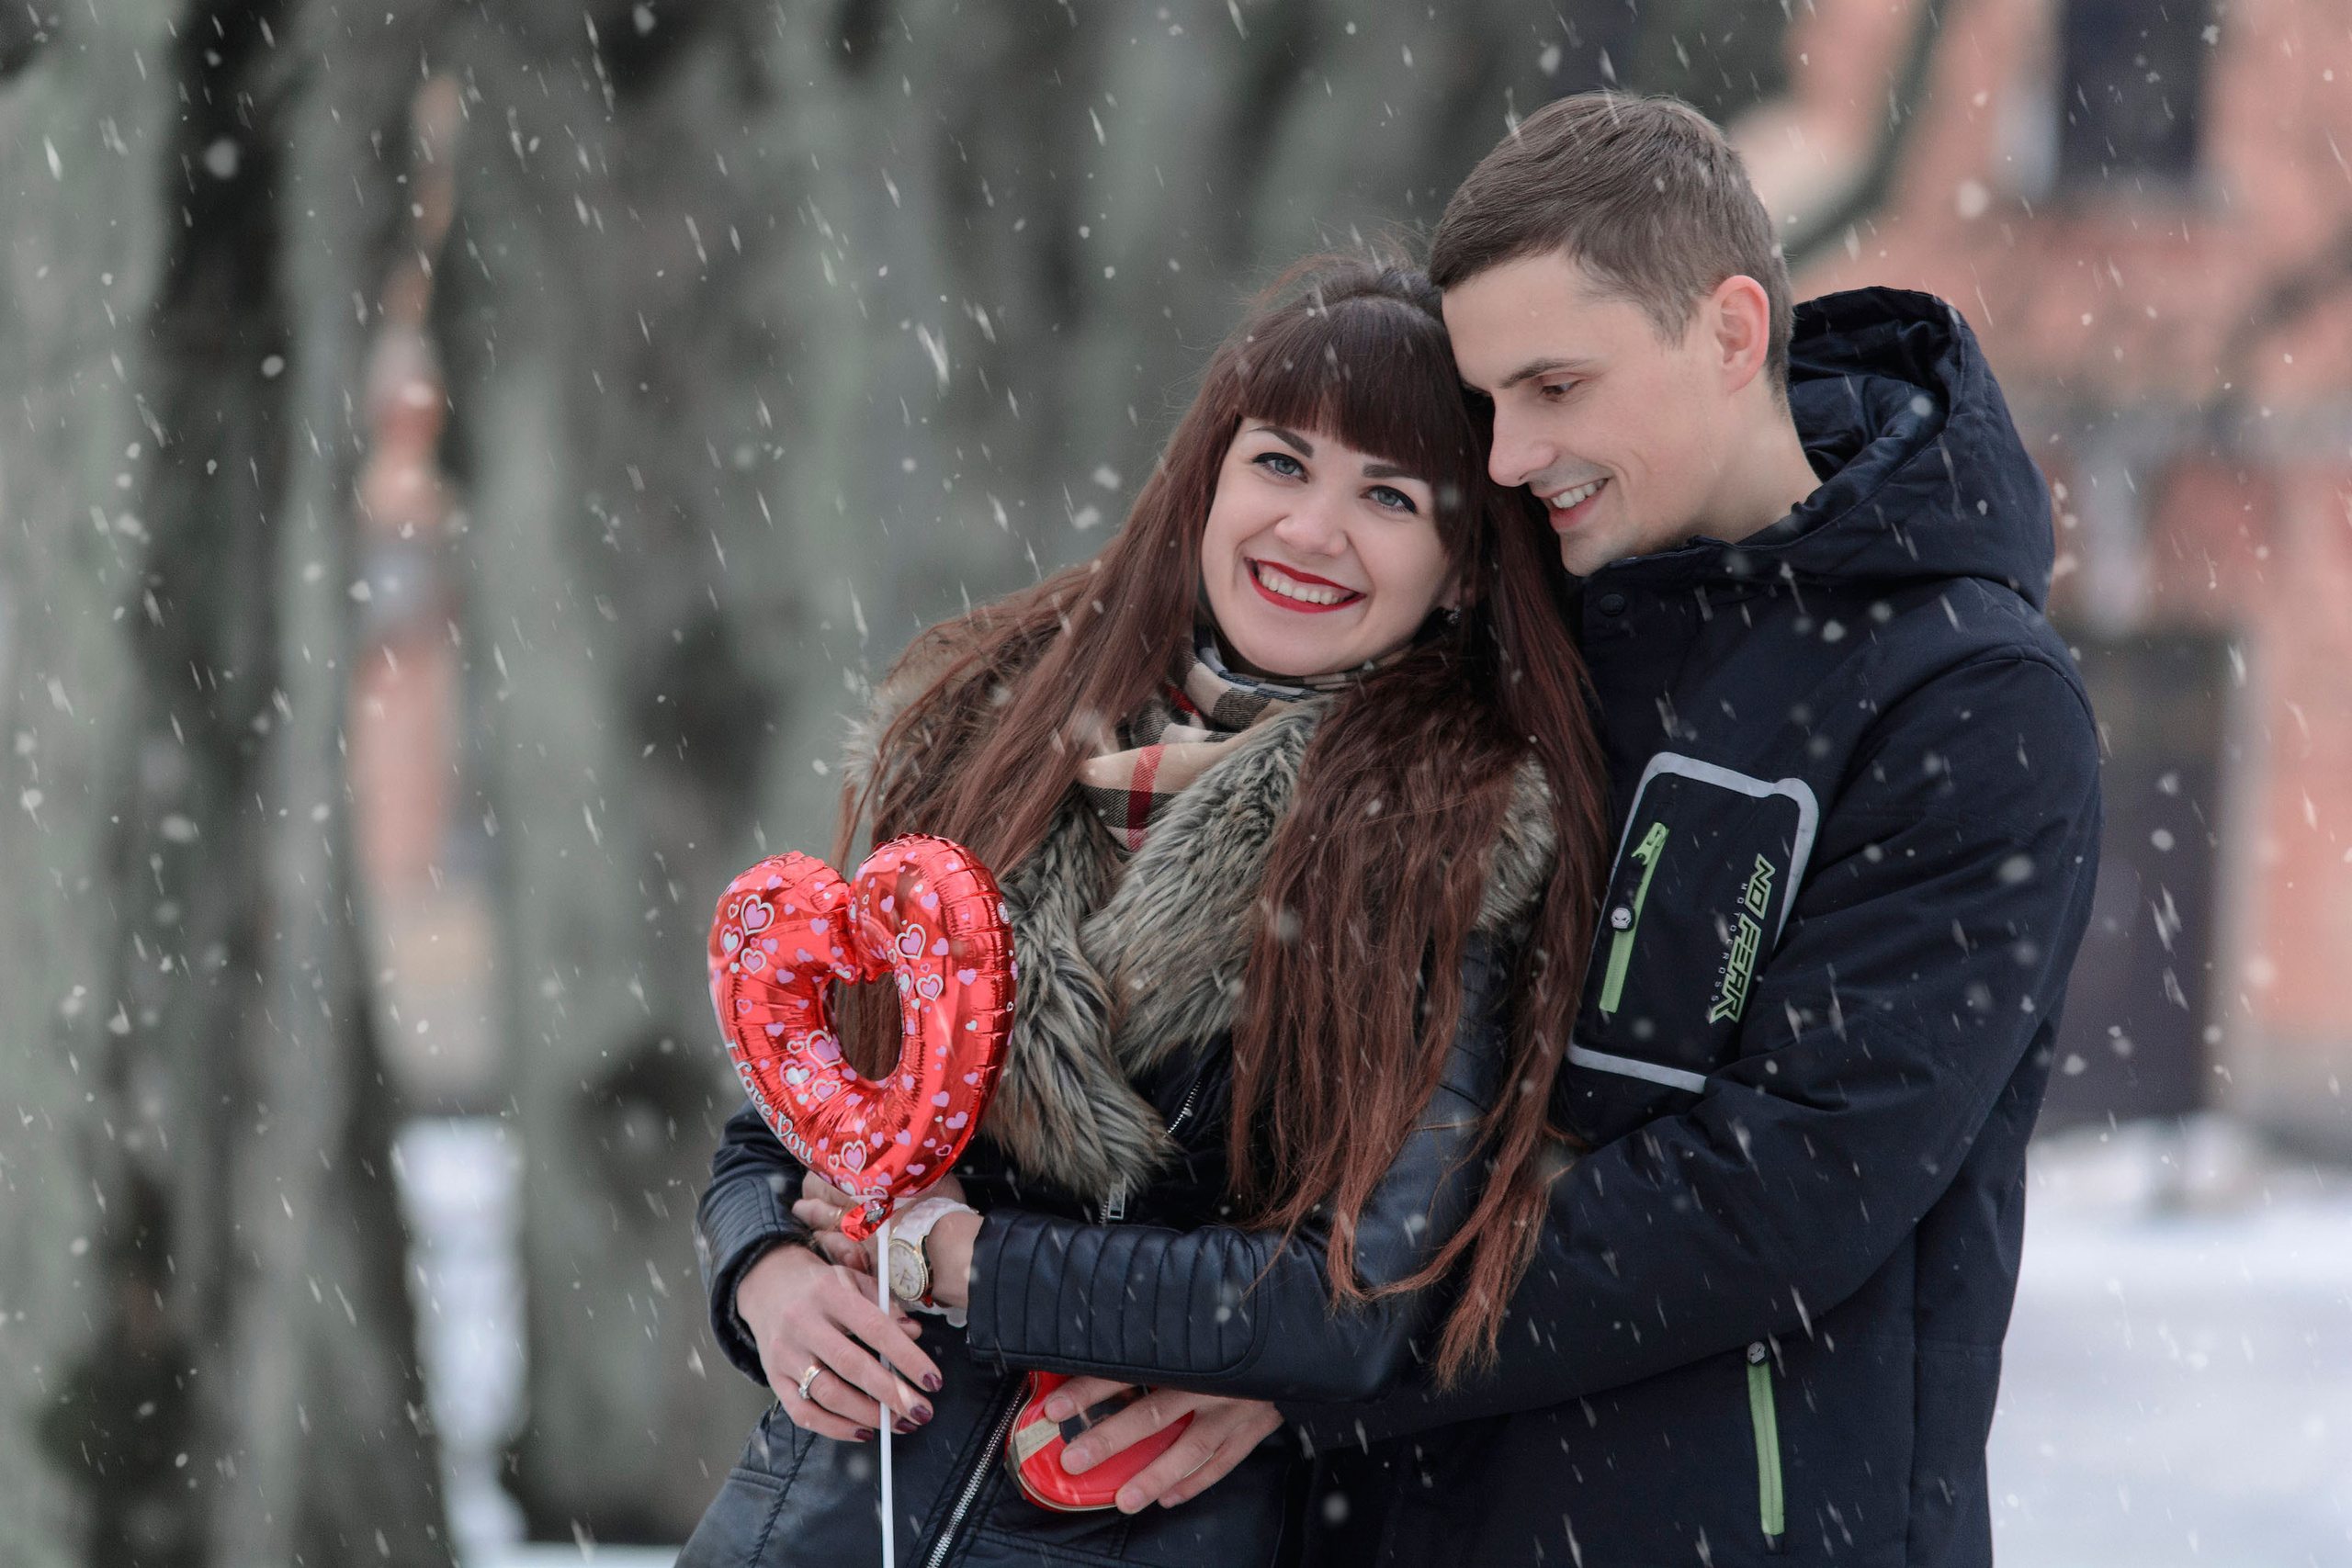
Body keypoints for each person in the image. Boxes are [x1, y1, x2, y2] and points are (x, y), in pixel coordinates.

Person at [1210, 93, 2095, 1568]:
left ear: (1733, 333)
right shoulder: (1500, 611)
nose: (1504, 456)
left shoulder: (1971, 699)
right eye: (1488, 403)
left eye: (1555, 386)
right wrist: (780, 1236)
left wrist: (1309, 1349)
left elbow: (1784, 1196)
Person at [679, 258, 1610, 1567]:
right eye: (1281, 464)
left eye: (1388, 497)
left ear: (1460, 572)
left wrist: (958, 1257)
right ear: (1211, 481)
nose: (1310, 530)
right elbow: (785, 1126)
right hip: (814, 1522)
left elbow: (1343, 1302)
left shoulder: (1441, 850)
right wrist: (763, 1277)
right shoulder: (991, 739)